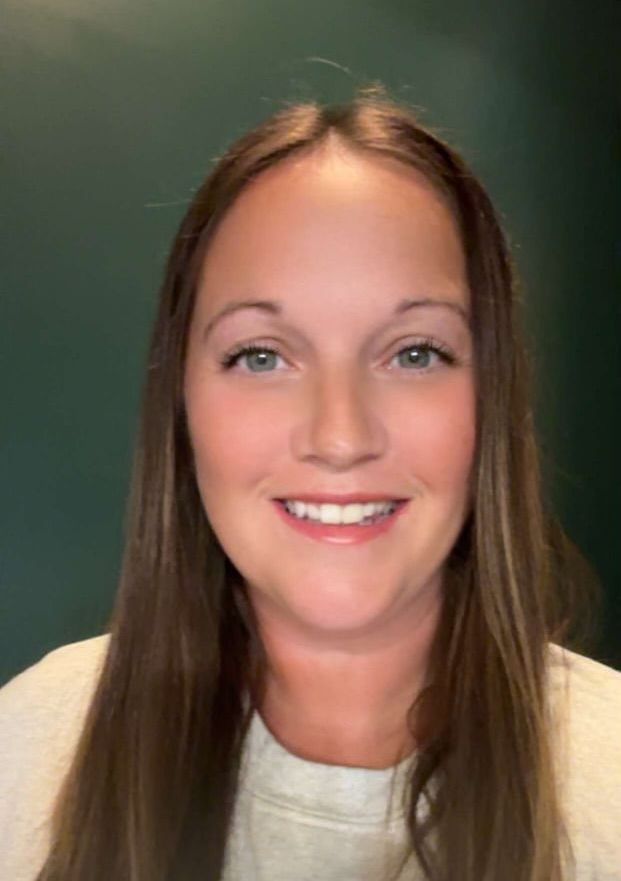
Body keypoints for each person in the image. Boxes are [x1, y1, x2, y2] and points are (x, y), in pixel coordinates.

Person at [0, 83, 619, 881]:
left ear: (491, 396)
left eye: (415, 352)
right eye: (260, 355)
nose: (339, 436)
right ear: (181, 401)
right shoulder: (29, 746)